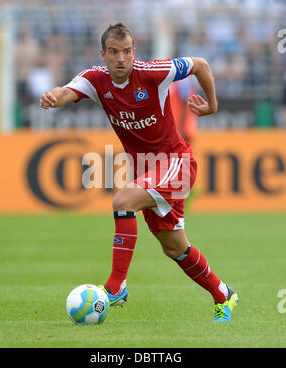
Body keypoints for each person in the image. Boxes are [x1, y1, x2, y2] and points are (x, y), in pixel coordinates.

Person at [40, 23, 238, 321]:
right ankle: (223, 293)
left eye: (127, 52)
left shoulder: (153, 72)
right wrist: (53, 97)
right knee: (175, 248)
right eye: (114, 52)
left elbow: (201, 65)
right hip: (149, 169)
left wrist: (212, 103)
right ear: (103, 54)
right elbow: (66, 91)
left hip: (177, 162)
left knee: (123, 201)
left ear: (135, 52)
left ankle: (116, 286)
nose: (121, 58)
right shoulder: (96, 80)